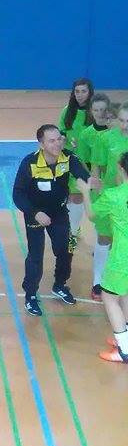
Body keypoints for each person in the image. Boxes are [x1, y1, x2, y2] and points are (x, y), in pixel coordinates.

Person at [11, 124, 93, 316]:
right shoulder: (29, 163)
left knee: (67, 248)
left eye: (59, 139)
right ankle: (30, 295)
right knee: (35, 255)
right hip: (35, 214)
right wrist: (35, 213)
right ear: (41, 144)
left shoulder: (68, 157)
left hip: (59, 212)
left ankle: (60, 284)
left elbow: (83, 175)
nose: (57, 144)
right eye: (51, 141)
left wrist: (91, 182)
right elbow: (18, 194)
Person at [81, 152, 128, 363]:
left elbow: (92, 214)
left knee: (109, 297)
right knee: (125, 294)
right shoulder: (113, 194)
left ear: (121, 169)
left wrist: (85, 192)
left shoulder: (114, 195)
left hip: (122, 257)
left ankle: (124, 350)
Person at [90, 103, 128, 301]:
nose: (124, 125)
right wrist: (97, 189)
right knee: (104, 238)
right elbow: (96, 166)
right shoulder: (105, 138)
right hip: (110, 196)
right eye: (121, 120)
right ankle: (98, 281)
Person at [70, 93, 110, 254]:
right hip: (98, 185)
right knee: (100, 221)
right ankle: (101, 248)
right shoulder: (86, 134)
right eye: (96, 110)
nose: (100, 113)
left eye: (103, 110)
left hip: (117, 184)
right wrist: (93, 181)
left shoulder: (117, 133)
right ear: (91, 112)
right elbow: (83, 160)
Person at [57, 78, 93, 250]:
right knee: (72, 196)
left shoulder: (94, 112)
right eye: (77, 91)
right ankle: (72, 230)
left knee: (80, 197)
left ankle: (74, 230)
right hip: (70, 160)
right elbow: (61, 133)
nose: (80, 95)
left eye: (83, 91)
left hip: (89, 162)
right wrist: (64, 142)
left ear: (90, 92)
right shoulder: (67, 111)